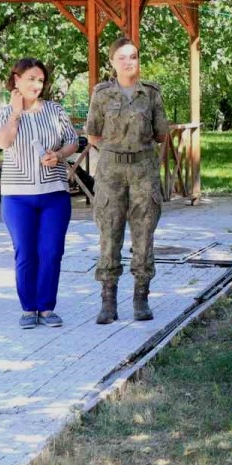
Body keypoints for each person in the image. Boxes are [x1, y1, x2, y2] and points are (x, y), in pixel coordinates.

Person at [84, 36, 170, 325]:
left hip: (143, 170)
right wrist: (115, 150)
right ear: (112, 62)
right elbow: (93, 133)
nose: (128, 62)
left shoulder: (152, 94)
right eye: (121, 57)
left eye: (132, 56)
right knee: (109, 234)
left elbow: (160, 133)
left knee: (144, 235)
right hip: (111, 172)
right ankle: (108, 301)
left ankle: (140, 297)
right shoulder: (102, 94)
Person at [0, 58, 79, 329]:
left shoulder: (54, 110)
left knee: (52, 251)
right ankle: (28, 309)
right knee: (25, 251)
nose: (36, 85)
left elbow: (73, 141)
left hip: (54, 193)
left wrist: (59, 154)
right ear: (15, 80)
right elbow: (3, 142)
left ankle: (47, 307)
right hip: (18, 196)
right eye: (30, 78)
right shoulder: (2, 114)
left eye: (40, 80)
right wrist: (16, 113)